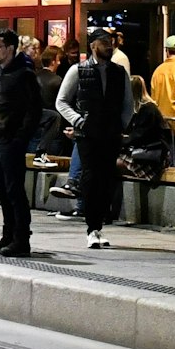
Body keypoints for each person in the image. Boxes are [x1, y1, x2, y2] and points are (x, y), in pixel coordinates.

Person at [56, 27, 134, 249]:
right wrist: (79, 121)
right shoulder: (78, 70)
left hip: (110, 133)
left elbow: (128, 104)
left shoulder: (119, 73)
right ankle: (92, 227)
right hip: (88, 134)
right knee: (91, 177)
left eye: (110, 43)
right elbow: (61, 101)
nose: (109, 47)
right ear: (92, 46)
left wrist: (121, 124)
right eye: (104, 43)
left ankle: (99, 224)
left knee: (107, 178)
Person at [0, 27, 41, 256]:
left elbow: (34, 109)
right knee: (3, 190)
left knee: (14, 190)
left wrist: (20, 138)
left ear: (10, 48)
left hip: (9, 139)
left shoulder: (23, 73)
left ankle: (21, 238)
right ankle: (8, 235)